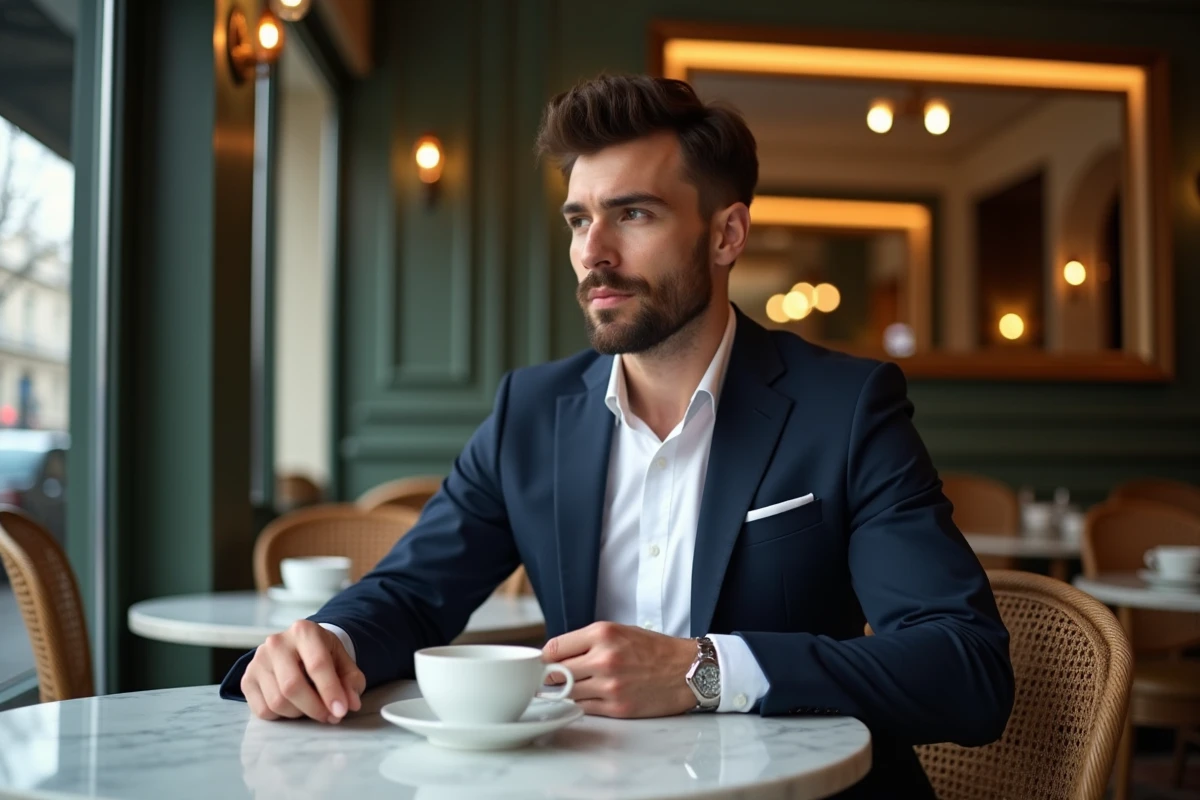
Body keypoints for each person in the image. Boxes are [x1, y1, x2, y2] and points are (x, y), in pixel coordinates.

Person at [221, 74, 1013, 796]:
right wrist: (328, 643)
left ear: (727, 235)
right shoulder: (531, 412)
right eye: (579, 219)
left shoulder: (844, 408)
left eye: (633, 214)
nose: (592, 254)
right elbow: (411, 592)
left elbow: (965, 665)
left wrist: (705, 671)